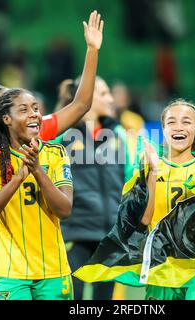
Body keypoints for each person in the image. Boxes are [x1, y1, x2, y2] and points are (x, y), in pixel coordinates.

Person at [0, 9, 104, 298]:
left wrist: (92, 50)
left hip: (46, 260)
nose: (31, 112)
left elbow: (81, 105)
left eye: (31, 106)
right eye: (12, 104)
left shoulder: (41, 139)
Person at [74, 99, 195, 300]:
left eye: (186, 122)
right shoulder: (150, 165)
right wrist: (152, 172)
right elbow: (144, 220)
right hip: (162, 270)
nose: (179, 127)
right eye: (172, 122)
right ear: (163, 129)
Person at [0, 88, 73, 300]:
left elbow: (64, 210)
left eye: (36, 109)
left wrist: (37, 170)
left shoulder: (56, 154)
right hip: (9, 274)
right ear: (7, 119)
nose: (34, 114)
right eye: (24, 109)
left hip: (54, 271)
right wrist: (17, 179)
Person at [53, 76, 130, 300]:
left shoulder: (119, 134)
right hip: (73, 235)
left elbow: (129, 181)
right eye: (104, 93)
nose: (111, 99)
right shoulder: (62, 136)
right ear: (87, 96)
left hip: (110, 236)